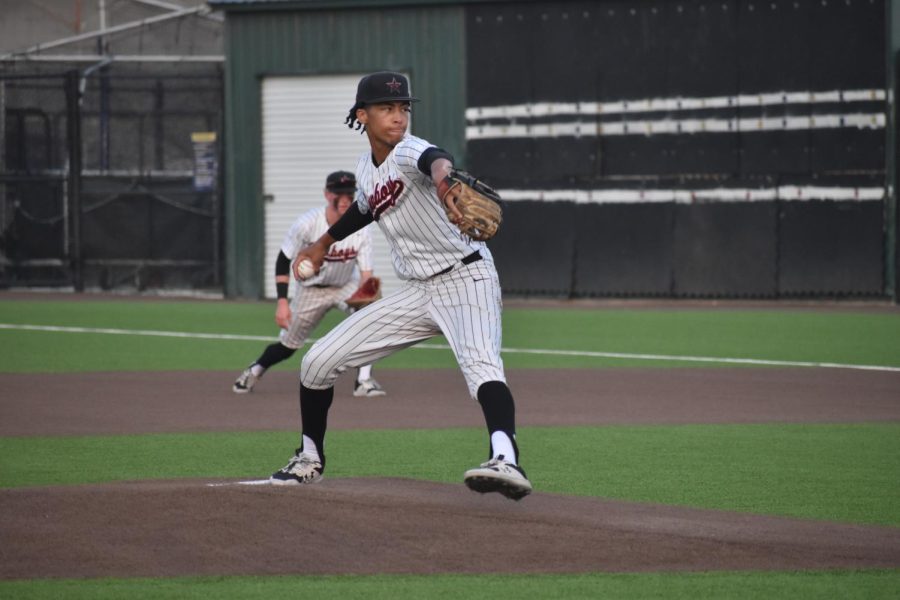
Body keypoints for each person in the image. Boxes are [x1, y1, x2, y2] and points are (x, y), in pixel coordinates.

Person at [268, 71, 532, 500]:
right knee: (316, 363)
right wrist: (319, 246)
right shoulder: (365, 169)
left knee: (482, 367)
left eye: (403, 108)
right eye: (387, 108)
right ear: (362, 115)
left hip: (467, 278)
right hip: (417, 293)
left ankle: (506, 459)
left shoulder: (411, 150)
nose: (398, 117)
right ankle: (309, 458)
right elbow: (364, 209)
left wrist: (446, 183)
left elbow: (437, 159)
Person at [233, 170, 387, 398]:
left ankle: (363, 381)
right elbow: (283, 260)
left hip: (345, 285)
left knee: (373, 316)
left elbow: (366, 273)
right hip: (311, 290)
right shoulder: (307, 224)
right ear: (327, 195)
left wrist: (367, 297)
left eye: (349, 193)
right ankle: (254, 370)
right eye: (339, 193)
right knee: (288, 346)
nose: (345, 198)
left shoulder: (361, 227)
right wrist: (282, 303)